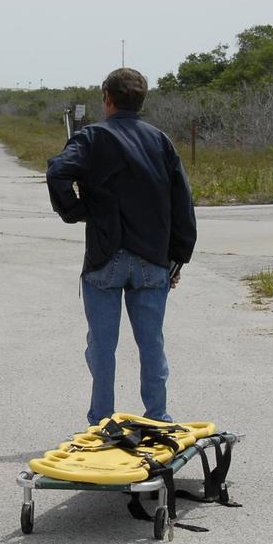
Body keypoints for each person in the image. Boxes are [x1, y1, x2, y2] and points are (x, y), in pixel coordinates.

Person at [46, 67, 197, 426]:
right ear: (141, 100)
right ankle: (157, 417)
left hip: (104, 259)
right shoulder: (160, 141)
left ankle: (102, 421)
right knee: (152, 345)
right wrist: (178, 257)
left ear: (107, 98)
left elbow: (57, 173)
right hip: (152, 260)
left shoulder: (91, 138)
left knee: (102, 347)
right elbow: (182, 203)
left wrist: (78, 211)